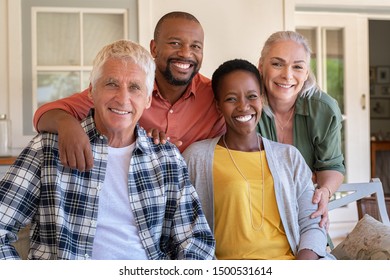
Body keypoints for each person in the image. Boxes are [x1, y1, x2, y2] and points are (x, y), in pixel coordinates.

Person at [0, 40, 215, 260]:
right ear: (92, 91)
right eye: (111, 84)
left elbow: (196, 243)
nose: (123, 99)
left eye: (134, 87)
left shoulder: (167, 158)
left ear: (148, 98)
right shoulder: (47, 149)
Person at [32, 11, 225, 171]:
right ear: (154, 48)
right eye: (175, 43)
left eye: (195, 46)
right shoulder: (124, 89)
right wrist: (68, 126)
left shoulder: (215, 95)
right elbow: (45, 114)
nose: (185, 53)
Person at [183, 59, 334, 260]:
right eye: (231, 99)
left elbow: (313, 222)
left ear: (261, 99)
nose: (243, 106)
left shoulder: (289, 157)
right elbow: (183, 228)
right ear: (218, 106)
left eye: (251, 96)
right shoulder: (197, 157)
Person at [256, 31, 345, 228]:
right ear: (261, 66)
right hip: (257, 210)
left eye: (297, 67)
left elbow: (331, 166)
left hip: (304, 210)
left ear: (306, 73)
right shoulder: (248, 107)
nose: (287, 75)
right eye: (277, 64)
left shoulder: (323, 109)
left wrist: (324, 191)